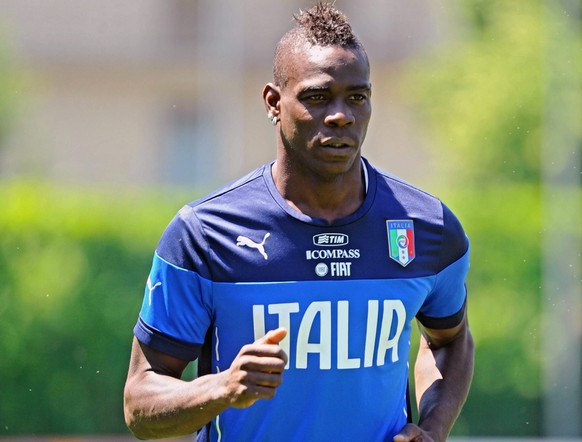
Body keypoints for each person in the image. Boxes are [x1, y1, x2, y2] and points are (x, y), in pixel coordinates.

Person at [123, 3, 474, 441]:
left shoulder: (428, 228)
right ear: (274, 102)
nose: (341, 114)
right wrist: (221, 388)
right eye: (317, 96)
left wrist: (433, 427)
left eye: (357, 97)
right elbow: (140, 402)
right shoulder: (202, 234)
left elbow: (448, 340)